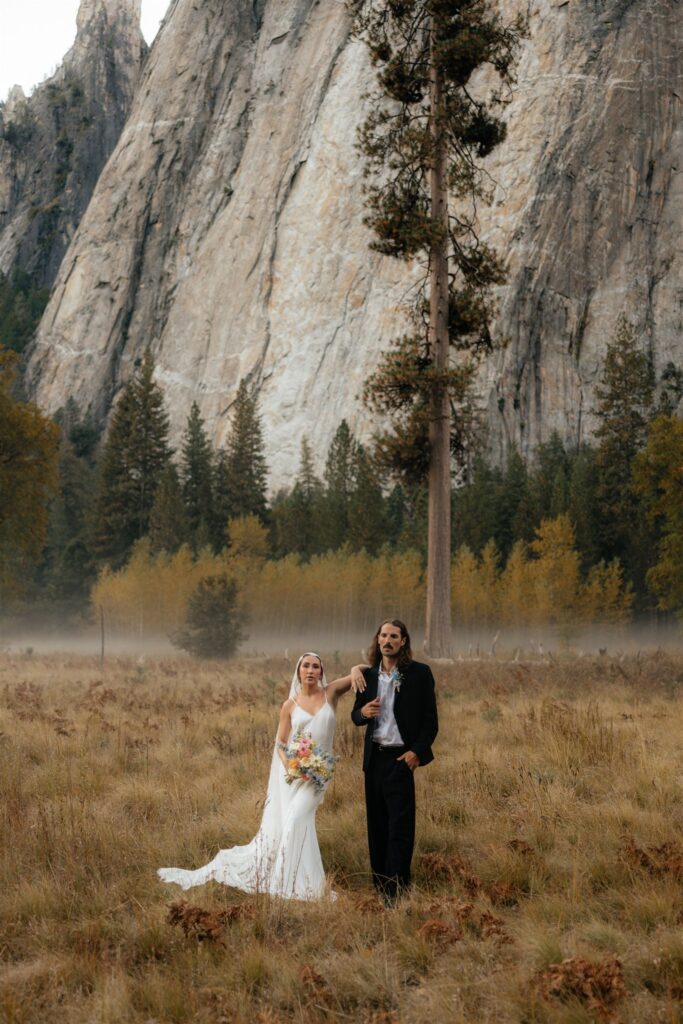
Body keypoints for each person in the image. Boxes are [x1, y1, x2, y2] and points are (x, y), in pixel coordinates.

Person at [158, 653, 363, 900]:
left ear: (321, 672)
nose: (310, 670)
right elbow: (280, 743)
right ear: (298, 671)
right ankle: (297, 880)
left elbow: (364, 669)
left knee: (296, 818)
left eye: (315, 667)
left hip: (319, 775)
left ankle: (289, 883)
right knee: (296, 822)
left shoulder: (331, 693)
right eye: (306, 666)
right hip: (296, 774)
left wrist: (355, 668)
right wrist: (290, 766)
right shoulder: (290, 705)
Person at [351, 619, 438, 904]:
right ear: (377, 640)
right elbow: (355, 716)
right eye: (384, 636)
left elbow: (430, 721)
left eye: (394, 636)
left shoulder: (420, 673)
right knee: (377, 825)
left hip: (400, 759)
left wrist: (417, 753)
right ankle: (380, 885)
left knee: (400, 827)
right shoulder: (367, 675)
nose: (388, 641)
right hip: (374, 759)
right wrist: (363, 712)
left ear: (403, 641)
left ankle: (397, 890)